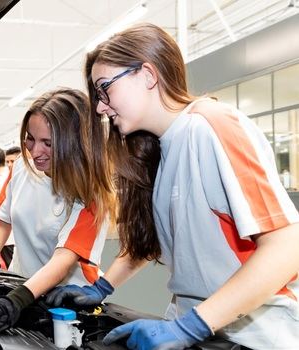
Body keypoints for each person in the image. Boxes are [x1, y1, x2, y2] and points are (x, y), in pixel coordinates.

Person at [47, 23, 299, 349]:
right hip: (205, 329)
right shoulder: (160, 151)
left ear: (148, 75)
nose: (99, 107)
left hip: (259, 336)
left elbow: (287, 246)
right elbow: (147, 245)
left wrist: (192, 326)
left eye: (105, 88)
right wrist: (102, 288)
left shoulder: (210, 125)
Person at [0, 88, 115, 335]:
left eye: (48, 143)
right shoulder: (21, 168)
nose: (34, 151)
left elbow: (64, 258)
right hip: (20, 287)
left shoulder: (90, 190)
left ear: (75, 143)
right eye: (30, 138)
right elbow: (3, 220)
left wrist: (18, 300)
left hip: (68, 304)